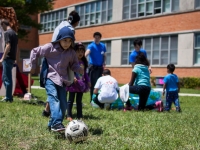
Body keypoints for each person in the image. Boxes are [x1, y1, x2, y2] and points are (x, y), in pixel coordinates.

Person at [30, 26, 84, 132]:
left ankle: (51, 125)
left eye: (69, 41)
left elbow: (73, 65)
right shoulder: (50, 47)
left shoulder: (71, 52)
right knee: (54, 100)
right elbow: (35, 51)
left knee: (63, 104)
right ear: (59, 38)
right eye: (64, 40)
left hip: (63, 81)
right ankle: (56, 123)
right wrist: (33, 65)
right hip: (50, 78)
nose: (67, 43)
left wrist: (79, 69)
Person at [42, 10, 80, 117]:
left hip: (51, 59)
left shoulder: (61, 25)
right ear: (76, 22)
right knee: (61, 86)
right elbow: (70, 47)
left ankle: (47, 111)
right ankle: (59, 114)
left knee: (53, 85)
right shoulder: (70, 30)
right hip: (61, 61)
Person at [66, 43, 90, 121]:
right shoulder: (72, 61)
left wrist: (88, 81)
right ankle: (68, 115)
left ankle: (80, 115)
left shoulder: (84, 63)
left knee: (79, 101)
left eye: (82, 52)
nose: (80, 53)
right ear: (74, 52)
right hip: (73, 84)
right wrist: (73, 77)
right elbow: (70, 70)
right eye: (78, 51)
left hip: (81, 85)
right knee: (70, 100)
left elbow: (85, 73)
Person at [85, 32, 106, 102]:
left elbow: (104, 55)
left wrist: (104, 62)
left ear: (100, 38)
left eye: (98, 38)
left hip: (100, 67)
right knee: (93, 84)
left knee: (100, 83)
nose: (96, 39)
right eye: (95, 37)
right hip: (93, 67)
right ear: (93, 38)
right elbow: (87, 52)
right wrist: (82, 57)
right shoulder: (91, 45)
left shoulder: (103, 46)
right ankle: (92, 99)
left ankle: (99, 99)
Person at [0, 19, 18, 102]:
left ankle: (8, 98)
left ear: (3, 24)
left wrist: (2, 58)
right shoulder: (14, 33)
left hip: (7, 58)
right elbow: (16, 47)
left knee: (7, 78)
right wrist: (15, 58)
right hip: (12, 58)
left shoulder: (7, 33)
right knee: (5, 77)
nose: (2, 28)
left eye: (1, 26)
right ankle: (8, 96)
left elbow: (8, 46)